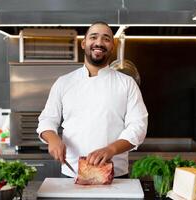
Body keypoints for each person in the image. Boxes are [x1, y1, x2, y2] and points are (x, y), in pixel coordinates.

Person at [37, 21, 148, 178]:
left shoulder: (127, 83)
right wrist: (53, 138)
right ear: (84, 43)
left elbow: (138, 126)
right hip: (72, 172)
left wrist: (111, 149)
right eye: (93, 37)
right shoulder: (64, 82)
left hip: (115, 175)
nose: (99, 43)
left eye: (106, 39)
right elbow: (47, 119)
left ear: (112, 46)